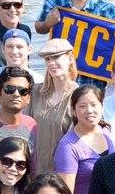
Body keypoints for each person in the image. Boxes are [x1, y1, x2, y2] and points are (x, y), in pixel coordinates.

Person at [54, 86, 114, 194]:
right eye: (82, 106)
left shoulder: (106, 132)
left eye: (94, 105)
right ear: (73, 111)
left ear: (102, 107)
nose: (89, 110)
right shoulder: (68, 146)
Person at [27, 38, 78, 175]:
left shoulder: (79, 96)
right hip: (34, 171)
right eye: (47, 59)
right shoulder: (35, 92)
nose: (51, 63)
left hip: (63, 172)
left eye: (56, 57)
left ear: (69, 58)